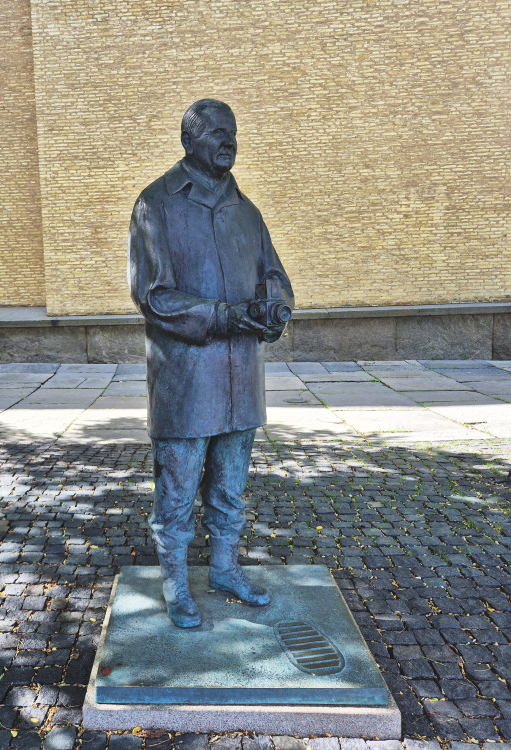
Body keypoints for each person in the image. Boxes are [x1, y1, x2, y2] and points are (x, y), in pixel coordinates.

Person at [128, 98, 294, 628]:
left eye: (234, 133)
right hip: (187, 380)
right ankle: (176, 582)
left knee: (230, 487)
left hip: (240, 379)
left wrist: (275, 307)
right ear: (189, 141)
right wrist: (224, 315)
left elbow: (274, 275)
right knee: (176, 492)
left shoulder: (248, 211)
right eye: (218, 133)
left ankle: (224, 568)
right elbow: (154, 296)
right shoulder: (156, 204)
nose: (230, 141)